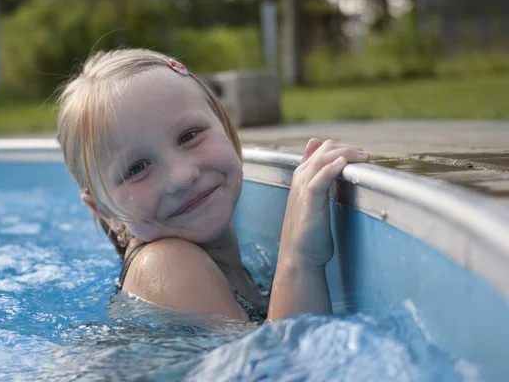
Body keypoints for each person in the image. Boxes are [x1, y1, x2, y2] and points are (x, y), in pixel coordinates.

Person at [56, 48, 371, 323]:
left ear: (226, 127)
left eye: (189, 136)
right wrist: (299, 257)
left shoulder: (233, 266)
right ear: (105, 211)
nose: (181, 176)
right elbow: (279, 370)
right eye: (137, 168)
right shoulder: (164, 264)